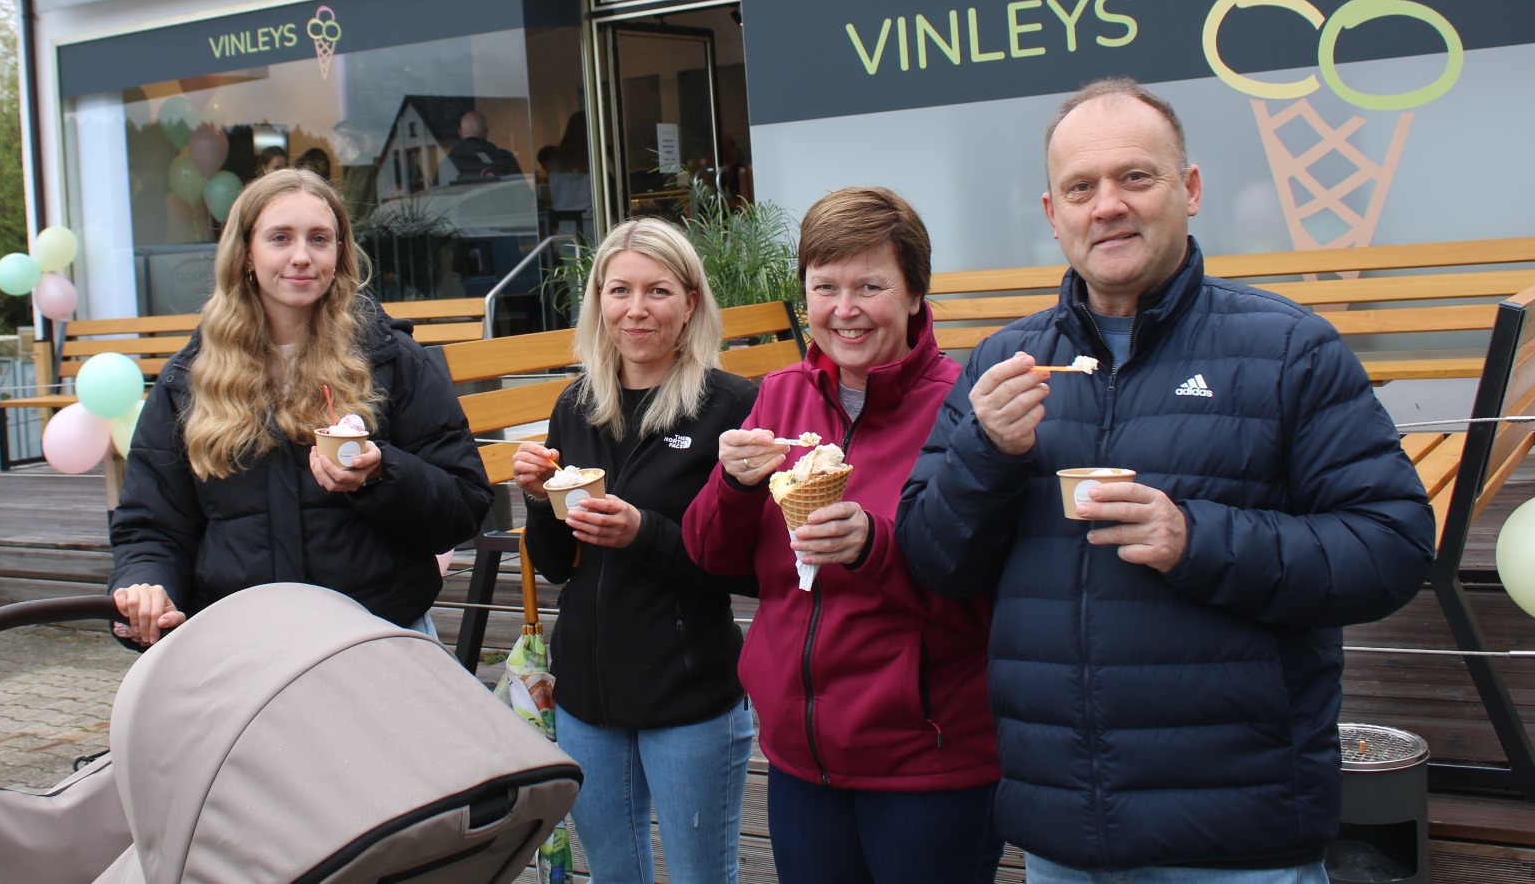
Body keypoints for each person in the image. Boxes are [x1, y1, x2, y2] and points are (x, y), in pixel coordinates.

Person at [896, 77, 1435, 884]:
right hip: (1064, 835)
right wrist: (988, 452)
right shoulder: (1003, 362)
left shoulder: (1290, 351)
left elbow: (1391, 547)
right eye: (1081, 187)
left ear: (1188, 190)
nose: (1106, 204)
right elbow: (935, 563)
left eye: (1134, 177)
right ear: (1054, 214)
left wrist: (1197, 537)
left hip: (1237, 838)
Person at [683, 187, 1002, 884]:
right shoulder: (780, 395)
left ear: (916, 293)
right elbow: (709, 554)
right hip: (801, 758)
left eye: (870, 285)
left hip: (928, 761)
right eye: (824, 285)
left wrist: (874, 546)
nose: (844, 308)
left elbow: (989, 594)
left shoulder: (962, 408)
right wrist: (733, 485)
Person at [109, 168, 492, 646]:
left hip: (377, 634)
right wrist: (148, 589)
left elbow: (463, 507)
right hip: (243, 643)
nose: (301, 257)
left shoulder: (390, 360)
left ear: (339, 253)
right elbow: (152, 526)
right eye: (280, 238)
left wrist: (380, 475)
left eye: (319, 239)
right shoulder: (190, 381)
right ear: (246, 254)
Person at [513, 217, 759, 884]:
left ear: (691, 304)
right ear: (599, 303)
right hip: (586, 698)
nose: (636, 308)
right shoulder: (578, 404)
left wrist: (643, 532)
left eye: (658, 290)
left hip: (689, 697)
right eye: (619, 290)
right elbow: (561, 565)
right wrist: (539, 500)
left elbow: (751, 569)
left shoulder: (732, 407)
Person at [442, 109, 521, 182]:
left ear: (460, 133)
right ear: (486, 132)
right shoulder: (505, 159)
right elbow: (521, 191)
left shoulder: (449, 163)